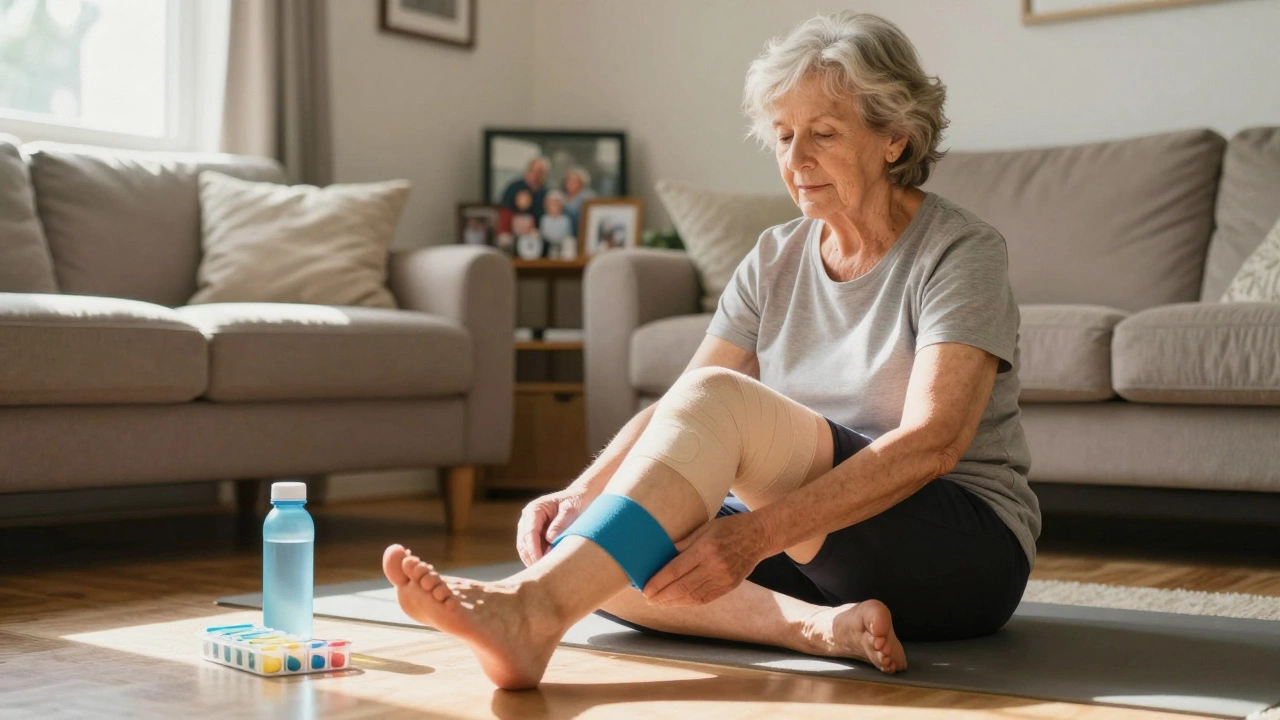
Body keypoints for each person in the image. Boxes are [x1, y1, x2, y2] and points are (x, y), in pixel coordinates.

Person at [383, 10, 1040, 691]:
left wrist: (752, 537)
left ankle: (531, 610)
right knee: (592, 545)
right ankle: (813, 628)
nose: (796, 160)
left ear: (895, 140)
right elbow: (678, 407)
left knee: (661, 483)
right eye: (784, 136)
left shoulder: (961, 252)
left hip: (957, 550)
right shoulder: (774, 256)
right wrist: (581, 494)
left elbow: (934, 441)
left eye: (823, 134)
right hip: (818, 547)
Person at [561, 166, 596, 235]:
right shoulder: (562, 197)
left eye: (574, 182)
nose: (570, 184)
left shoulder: (587, 196)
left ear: (581, 183)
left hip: (582, 233)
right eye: (568, 181)